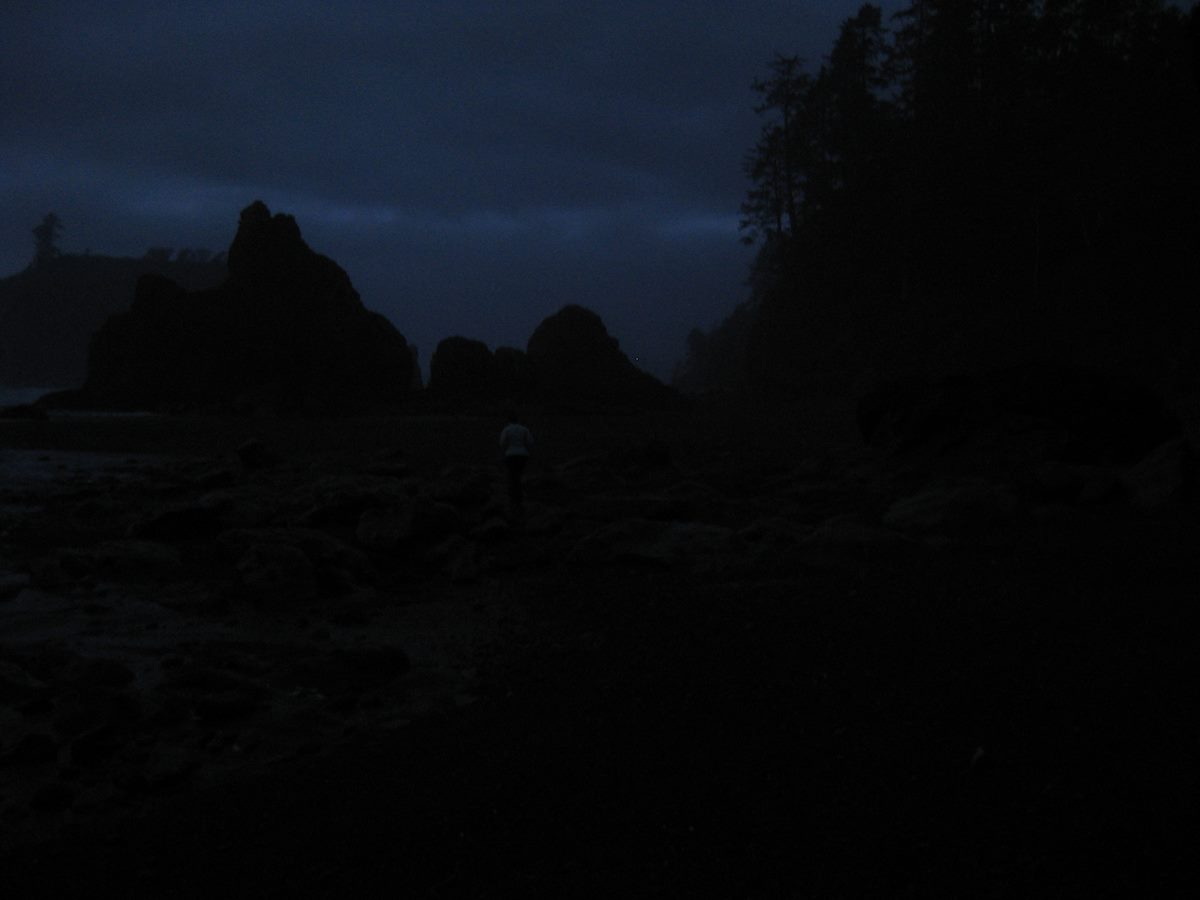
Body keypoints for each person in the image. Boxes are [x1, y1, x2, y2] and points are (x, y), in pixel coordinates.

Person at [499, 409, 534, 513]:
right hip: (522, 455)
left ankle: (513, 498)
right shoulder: (524, 429)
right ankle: (520, 497)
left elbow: (502, 443)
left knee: (512, 476)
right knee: (519, 475)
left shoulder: (507, 430)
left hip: (510, 455)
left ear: (508, 420)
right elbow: (530, 442)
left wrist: (506, 449)